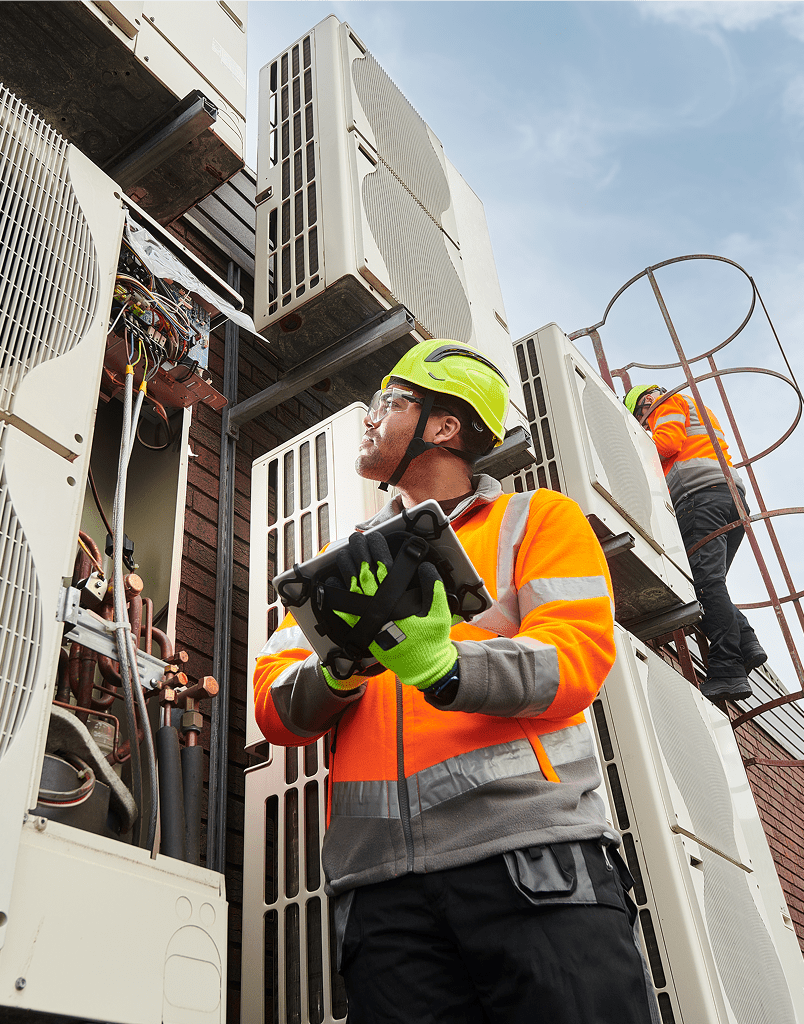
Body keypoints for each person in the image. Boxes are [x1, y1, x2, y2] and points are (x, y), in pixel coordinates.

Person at [254, 340, 656, 1024]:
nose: (370, 416)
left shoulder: (537, 520)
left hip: (528, 857)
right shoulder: (339, 561)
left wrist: (447, 670)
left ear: (443, 427)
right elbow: (274, 707)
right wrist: (342, 669)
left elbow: (575, 660)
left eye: (389, 401)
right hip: (381, 891)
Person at [625, 384, 766, 701]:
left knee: (703, 584)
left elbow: (665, 444)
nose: (645, 426)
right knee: (709, 582)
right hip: (729, 497)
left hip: (700, 496)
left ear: (646, 402)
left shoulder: (664, 403)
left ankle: (728, 671)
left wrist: (631, 448)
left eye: (640, 420)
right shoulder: (694, 408)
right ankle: (747, 642)